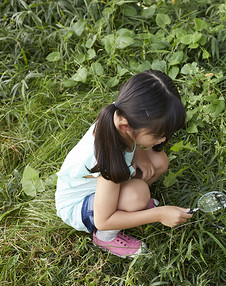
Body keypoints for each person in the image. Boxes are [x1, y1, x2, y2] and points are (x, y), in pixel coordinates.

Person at [55, 70, 193, 258]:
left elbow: (142, 149)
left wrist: (139, 152)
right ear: (126, 126)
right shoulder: (108, 158)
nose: (162, 140)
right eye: (158, 135)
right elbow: (104, 220)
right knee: (137, 194)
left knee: (158, 162)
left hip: (104, 184)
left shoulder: (121, 112)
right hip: (79, 206)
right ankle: (105, 238)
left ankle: (130, 206)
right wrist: (159, 214)